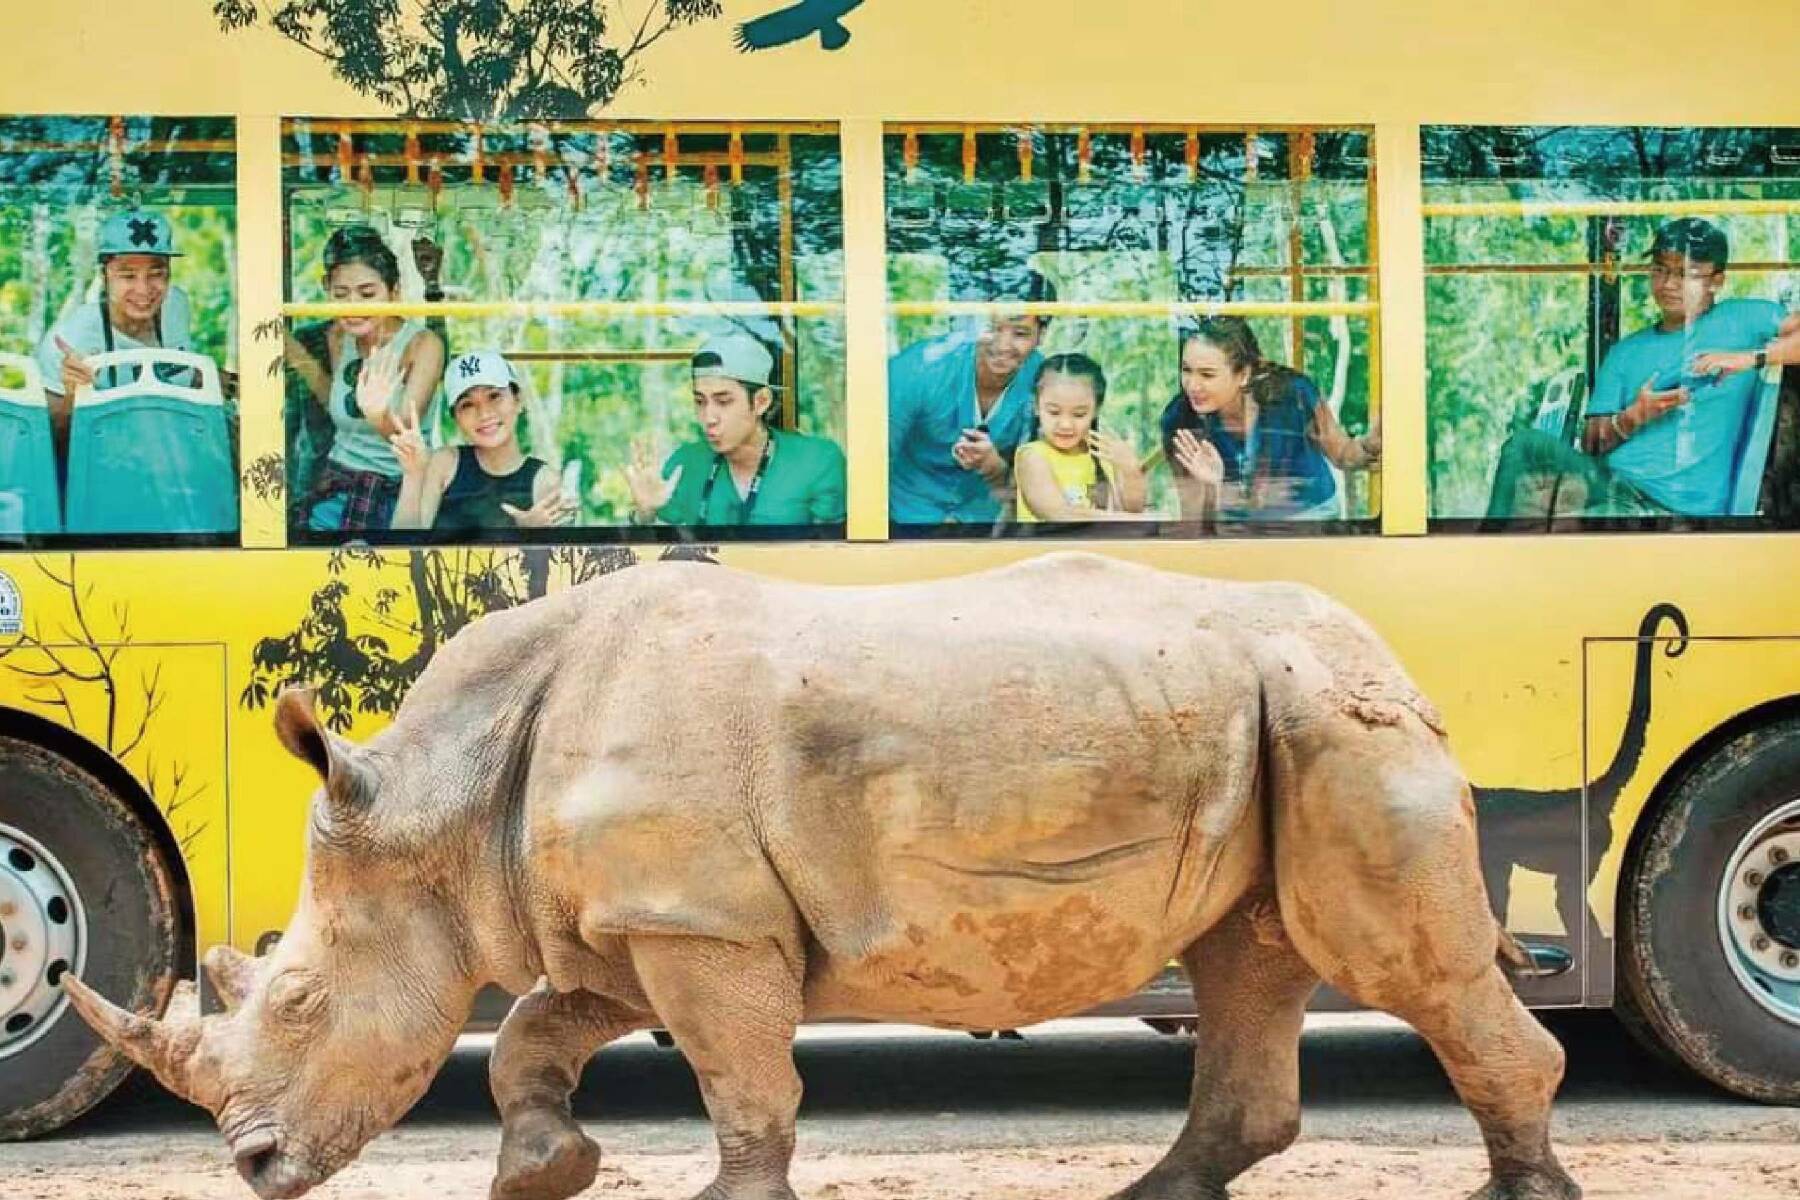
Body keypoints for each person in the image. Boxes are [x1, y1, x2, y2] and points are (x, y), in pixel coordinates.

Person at [1486, 218, 1800, 521]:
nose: (1668, 284)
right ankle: (1490, 549)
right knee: (1524, 445)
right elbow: (1591, 444)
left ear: (1716, 281)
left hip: (1671, 508)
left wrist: (1750, 358)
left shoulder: (1742, 318)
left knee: (1569, 534)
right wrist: (1633, 417)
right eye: (1660, 270)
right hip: (1611, 483)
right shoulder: (1626, 352)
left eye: (1685, 273)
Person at [1161, 316, 1379, 522]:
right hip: (1234, 532)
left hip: (1310, 520)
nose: (1192, 385)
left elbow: (1342, 453)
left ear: (1244, 375)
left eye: (1207, 375)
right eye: (1186, 370)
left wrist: (1370, 447)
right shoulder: (1179, 420)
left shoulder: (1294, 393)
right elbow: (1193, 523)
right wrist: (1212, 490)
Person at [300, 225, 446, 534]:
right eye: (341, 294)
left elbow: (409, 441)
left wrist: (378, 415)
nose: (354, 306)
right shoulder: (339, 337)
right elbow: (334, 402)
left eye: (368, 294)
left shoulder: (422, 344)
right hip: (335, 488)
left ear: (394, 292)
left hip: (397, 492)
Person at [887, 270, 1058, 527]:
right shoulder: (918, 368)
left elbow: (1043, 482)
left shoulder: (1044, 382)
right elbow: (871, 460)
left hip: (985, 523)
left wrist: (994, 467)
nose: (1002, 346)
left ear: (1041, 335)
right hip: (902, 516)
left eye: (1020, 333)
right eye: (992, 328)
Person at [623, 334, 846, 528]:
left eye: (723, 401)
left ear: (761, 402)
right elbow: (656, 562)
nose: (708, 418)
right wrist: (645, 513)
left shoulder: (818, 461)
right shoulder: (685, 464)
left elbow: (839, 558)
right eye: (700, 402)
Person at [35, 209, 202, 464]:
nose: (144, 290)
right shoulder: (71, 339)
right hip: (102, 474)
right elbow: (47, 450)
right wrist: (72, 398)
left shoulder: (176, 305)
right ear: (105, 276)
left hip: (174, 464)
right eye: (127, 275)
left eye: (157, 274)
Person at [388, 350, 575, 535]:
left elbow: (559, 559)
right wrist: (413, 474)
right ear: (456, 418)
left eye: (494, 396)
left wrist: (532, 534)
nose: (484, 414)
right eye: (467, 405)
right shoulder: (445, 463)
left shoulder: (545, 481)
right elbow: (403, 549)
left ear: (518, 400)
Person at [1013, 353, 1148, 523]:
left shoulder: (1105, 455)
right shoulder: (1032, 456)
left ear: (1096, 409)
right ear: (1036, 406)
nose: (1065, 424)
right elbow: (1057, 514)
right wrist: (1132, 520)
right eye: (1054, 412)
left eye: (1079, 414)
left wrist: (1131, 470)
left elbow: (1133, 510)